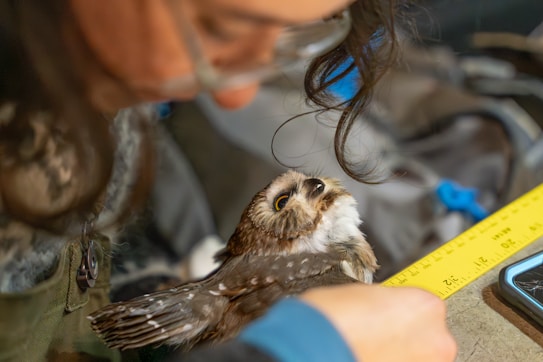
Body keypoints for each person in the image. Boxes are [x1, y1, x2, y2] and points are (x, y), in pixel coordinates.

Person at [0, 0, 456, 361]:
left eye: (301, 27)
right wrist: (291, 353)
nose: (235, 92)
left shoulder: (108, 76)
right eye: (220, 27)